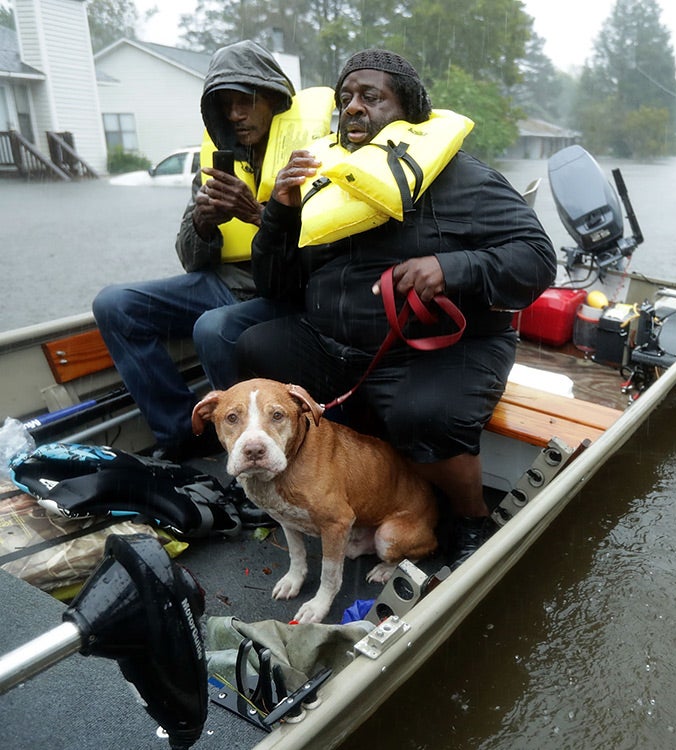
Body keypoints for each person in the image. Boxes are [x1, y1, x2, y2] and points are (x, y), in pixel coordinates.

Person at [236, 49, 557, 565]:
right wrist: (279, 211)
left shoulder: (464, 179)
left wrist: (452, 268)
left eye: (371, 96)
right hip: (338, 343)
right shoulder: (328, 178)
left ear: (409, 109)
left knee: (425, 414)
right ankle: (301, 483)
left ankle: (470, 517)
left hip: (438, 347)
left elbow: (538, 260)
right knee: (252, 344)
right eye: (345, 98)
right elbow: (275, 288)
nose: (353, 108)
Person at [92, 41, 334, 460]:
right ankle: (182, 434)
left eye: (246, 101)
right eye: (225, 105)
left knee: (212, 327)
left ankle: (252, 451)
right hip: (222, 282)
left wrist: (257, 212)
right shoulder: (219, 160)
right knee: (114, 304)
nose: (236, 115)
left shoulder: (314, 152)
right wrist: (203, 222)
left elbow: (322, 250)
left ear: (274, 98)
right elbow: (190, 258)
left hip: (283, 291)